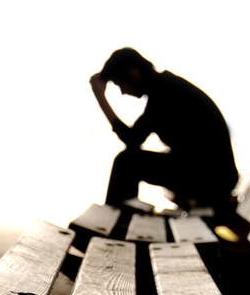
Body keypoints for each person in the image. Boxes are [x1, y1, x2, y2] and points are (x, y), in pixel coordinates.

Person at [89, 48, 238, 210]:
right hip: (213, 175)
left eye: (120, 85)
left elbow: (132, 140)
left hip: (213, 180)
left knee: (126, 162)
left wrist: (101, 98)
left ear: (134, 75)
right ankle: (117, 219)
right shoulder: (165, 87)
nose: (123, 92)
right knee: (128, 161)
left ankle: (109, 224)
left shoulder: (164, 92)